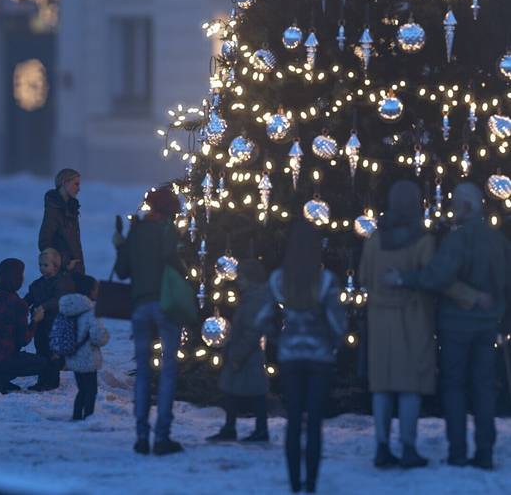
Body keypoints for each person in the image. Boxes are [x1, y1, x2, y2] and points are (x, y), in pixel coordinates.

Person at [385, 182, 511, 470]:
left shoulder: (458, 240)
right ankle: (485, 452)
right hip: (488, 327)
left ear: (466, 207)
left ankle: (457, 451)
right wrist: (503, 319)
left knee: (454, 387)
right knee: (483, 388)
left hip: (456, 326)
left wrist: (403, 279)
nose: (451, 208)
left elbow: (436, 278)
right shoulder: (499, 242)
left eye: (455, 203)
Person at [358, 179, 483, 469]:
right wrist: (471, 297)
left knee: (382, 388)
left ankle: (381, 446)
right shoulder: (423, 241)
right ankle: (409, 447)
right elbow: (436, 280)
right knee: (409, 387)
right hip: (412, 322)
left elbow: (364, 277)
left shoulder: (375, 240)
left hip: (379, 323)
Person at [256, 220, 344, 494]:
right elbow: (337, 322)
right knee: (314, 422)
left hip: (291, 356)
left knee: (293, 420)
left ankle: (294, 483)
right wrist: (333, 343)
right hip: (319, 357)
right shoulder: (326, 281)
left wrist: (278, 339)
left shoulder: (279, 279)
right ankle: (312, 484)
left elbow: (262, 318)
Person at [114, 184, 186, 455]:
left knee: (143, 372)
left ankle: (141, 436)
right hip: (165, 304)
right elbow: (170, 257)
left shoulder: (136, 230)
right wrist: (184, 275)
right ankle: (162, 437)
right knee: (168, 371)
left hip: (140, 305)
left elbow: (122, 272)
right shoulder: (167, 230)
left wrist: (120, 246)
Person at [0, 257, 53, 393]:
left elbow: (6, 313)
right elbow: (24, 340)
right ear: (18, 279)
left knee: (9, 357)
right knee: (43, 363)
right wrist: (35, 320)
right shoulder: (18, 305)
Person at [207, 258, 269, 444]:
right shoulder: (252, 296)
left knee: (255, 394)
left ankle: (258, 429)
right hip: (243, 352)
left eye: (242, 277)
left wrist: (238, 354)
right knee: (233, 391)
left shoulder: (254, 299)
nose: (238, 281)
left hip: (247, 355)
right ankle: (231, 427)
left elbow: (251, 330)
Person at [57, 275, 109, 420]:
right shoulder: (91, 312)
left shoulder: (67, 309)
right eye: (97, 289)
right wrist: (106, 336)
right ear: (91, 292)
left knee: (82, 389)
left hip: (72, 357)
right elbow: (97, 336)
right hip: (88, 358)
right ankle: (88, 416)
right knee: (91, 390)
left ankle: (76, 415)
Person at [23, 247, 75, 390]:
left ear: (56, 266)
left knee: (53, 353)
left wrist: (44, 307)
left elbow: (58, 299)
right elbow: (30, 297)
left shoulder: (61, 283)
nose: (42, 268)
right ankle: (42, 380)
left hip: (55, 324)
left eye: (45, 265)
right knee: (41, 350)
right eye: (40, 265)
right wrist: (21, 305)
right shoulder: (37, 284)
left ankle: (51, 382)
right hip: (40, 324)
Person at [39, 168, 84, 274]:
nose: (79, 189)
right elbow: (44, 243)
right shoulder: (54, 210)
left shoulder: (71, 209)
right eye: (76, 184)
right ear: (64, 183)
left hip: (74, 272)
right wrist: (66, 262)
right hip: (62, 274)